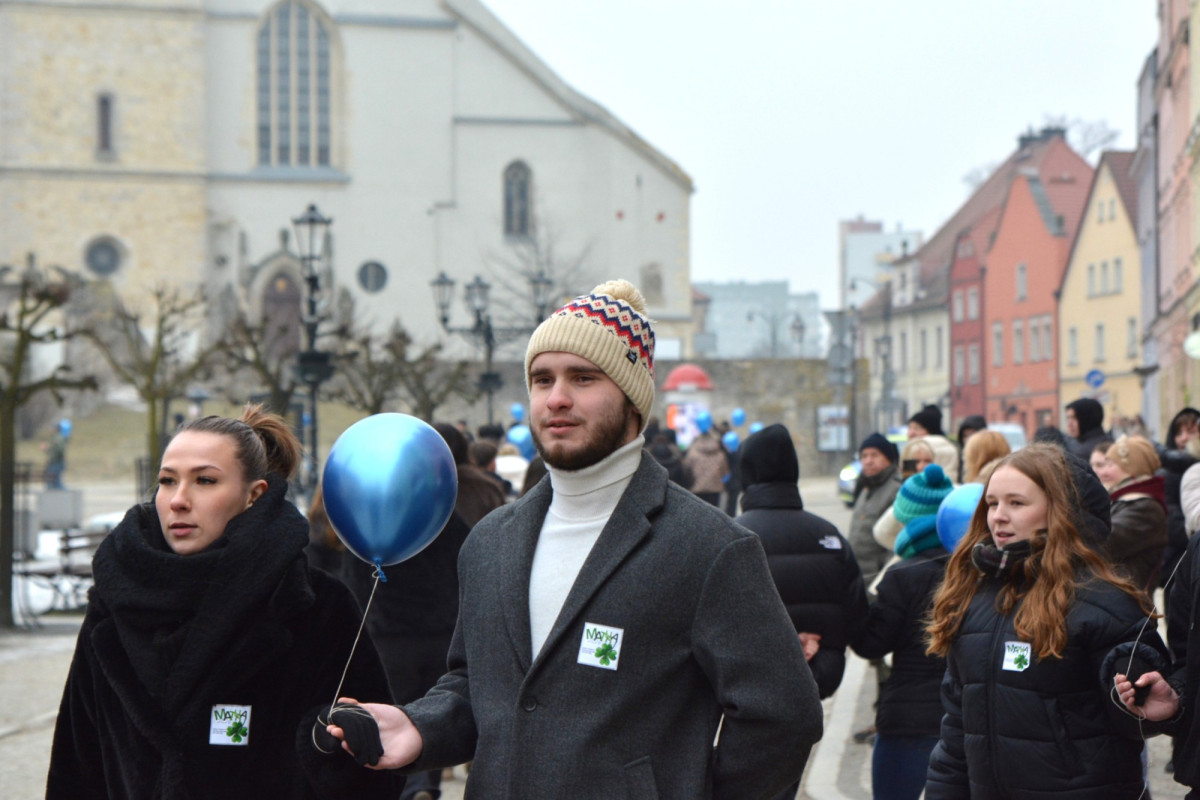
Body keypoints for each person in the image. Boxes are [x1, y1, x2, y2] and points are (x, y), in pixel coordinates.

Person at [327, 279, 822, 798]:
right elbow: (477, 686)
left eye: (582, 378)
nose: (556, 398)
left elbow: (784, 716)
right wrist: (419, 726)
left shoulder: (708, 546)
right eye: (542, 380)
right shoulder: (490, 541)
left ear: (632, 397)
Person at [46, 405, 401, 799]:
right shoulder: (113, 603)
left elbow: (379, 771)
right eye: (167, 481)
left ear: (254, 496)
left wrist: (329, 742)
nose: (178, 500)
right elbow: (75, 768)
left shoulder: (315, 606)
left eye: (205, 481)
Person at [924, 444, 1169, 799]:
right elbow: (956, 732)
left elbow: (1141, 715)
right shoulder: (975, 600)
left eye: (1017, 503)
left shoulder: (1106, 603)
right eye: (992, 503)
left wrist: (1145, 700)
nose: (998, 516)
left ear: (1062, 512)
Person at [341, 423, 482, 800]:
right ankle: (425, 785)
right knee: (432, 704)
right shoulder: (446, 520)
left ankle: (405, 786)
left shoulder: (370, 513)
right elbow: (468, 566)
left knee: (397, 708)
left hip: (389, 635)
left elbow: (355, 576)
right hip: (439, 630)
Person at [852, 464, 953, 800]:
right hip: (961, 714)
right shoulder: (974, 568)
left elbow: (872, 643)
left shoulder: (902, 574)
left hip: (908, 719)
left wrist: (854, 600)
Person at [1103, 435, 1168, 596]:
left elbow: (1103, 542)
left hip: (1128, 606)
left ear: (1131, 468)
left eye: (1111, 464)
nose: (1104, 471)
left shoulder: (1146, 508)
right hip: (1116, 603)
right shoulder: (1124, 500)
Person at [849, 432, 904, 591]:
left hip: (878, 579)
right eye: (864, 456)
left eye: (875, 455)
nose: (868, 461)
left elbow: (894, 539)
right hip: (858, 576)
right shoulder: (864, 488)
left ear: (888, 458)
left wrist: (885, 580)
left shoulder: (896, 489)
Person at [907, 405, 960, 479]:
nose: (911, 433)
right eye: (909, 428)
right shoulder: (907, 454)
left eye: (917, 428)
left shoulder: (946, 453)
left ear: (931, 431)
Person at [683, 423, 729, 507]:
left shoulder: (693, 453)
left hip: (698, 488)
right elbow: (725, 472)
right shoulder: (720, 454)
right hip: (715, 489)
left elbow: (686, 469)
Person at [1065, 397, 1112, 461]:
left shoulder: (1084, 453)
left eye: (1074, 418)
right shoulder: (1110, 441)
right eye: (1068, 418)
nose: (1069, 424)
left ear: (1086, 419)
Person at [954, 414, 987, 482]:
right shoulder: (960, 459)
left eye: (972, 435)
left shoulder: (988, 460)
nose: (968, 439)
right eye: (965, 436)